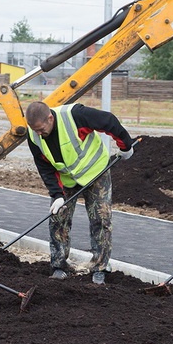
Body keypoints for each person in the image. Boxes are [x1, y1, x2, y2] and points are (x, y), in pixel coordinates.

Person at [25, 101, 135, 285]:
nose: (38, 133)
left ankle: (99, 268)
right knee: (58, 219)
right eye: (34, 130)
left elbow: (108, 121)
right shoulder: (33, 135)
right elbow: (44, 166)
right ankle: (59, 266)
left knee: (101, 219)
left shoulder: (75, 116)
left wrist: (125, 146)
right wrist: (57, 194)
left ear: (50, 118)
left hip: (96, 173)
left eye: (41, 129)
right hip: (67, 180)